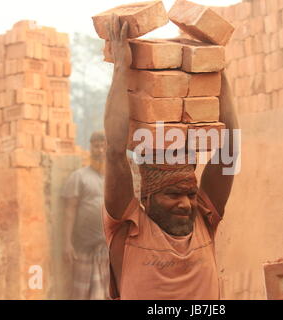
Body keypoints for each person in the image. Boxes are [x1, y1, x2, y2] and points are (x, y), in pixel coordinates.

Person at [102, 15, 239, 300]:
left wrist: (213, 69)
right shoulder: (129, 230)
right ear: (147, 196)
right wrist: (121, 68)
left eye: (190, 193)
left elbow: (230, 149)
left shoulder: (204, 219)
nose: (186, 203)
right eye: (174, 194)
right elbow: (116, 153)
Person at [62, 131, 109, 300]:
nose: (101, 150)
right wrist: (67, 243)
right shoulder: (79, 177)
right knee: (82, 295)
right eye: (97, 146)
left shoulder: (112, 179)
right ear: (91, 148)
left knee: (105, 294)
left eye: (104, 146)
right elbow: (69, 211)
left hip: (106, 250)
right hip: (84, 249)